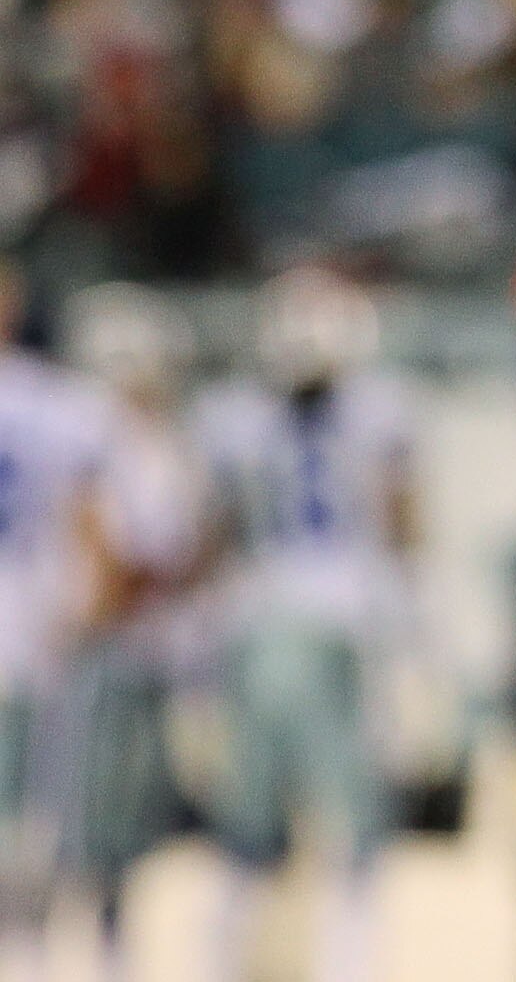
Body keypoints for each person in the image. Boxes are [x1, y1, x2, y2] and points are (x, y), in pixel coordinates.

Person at [192, 266, 418, 982]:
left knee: (253, 817)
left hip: (262, 623)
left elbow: (217, 534)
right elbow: (404, 527)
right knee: (348, 817)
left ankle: (231, 953)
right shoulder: (380, 411)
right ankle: (343, 960)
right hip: (341, 624)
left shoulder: (235, 415)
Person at [64, 284, 209, 981]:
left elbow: (179, 554)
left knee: (128, 831)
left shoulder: (155, 444)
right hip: (105, 652)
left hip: (139, 653)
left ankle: (112, 956)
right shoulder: (100, 436)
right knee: (88, 829)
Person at [0, 260, 109, 982]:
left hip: (33, 624)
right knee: (29, 819)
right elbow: (94, 531)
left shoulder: (58, 401)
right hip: (34, 627)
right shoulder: (63, 402)